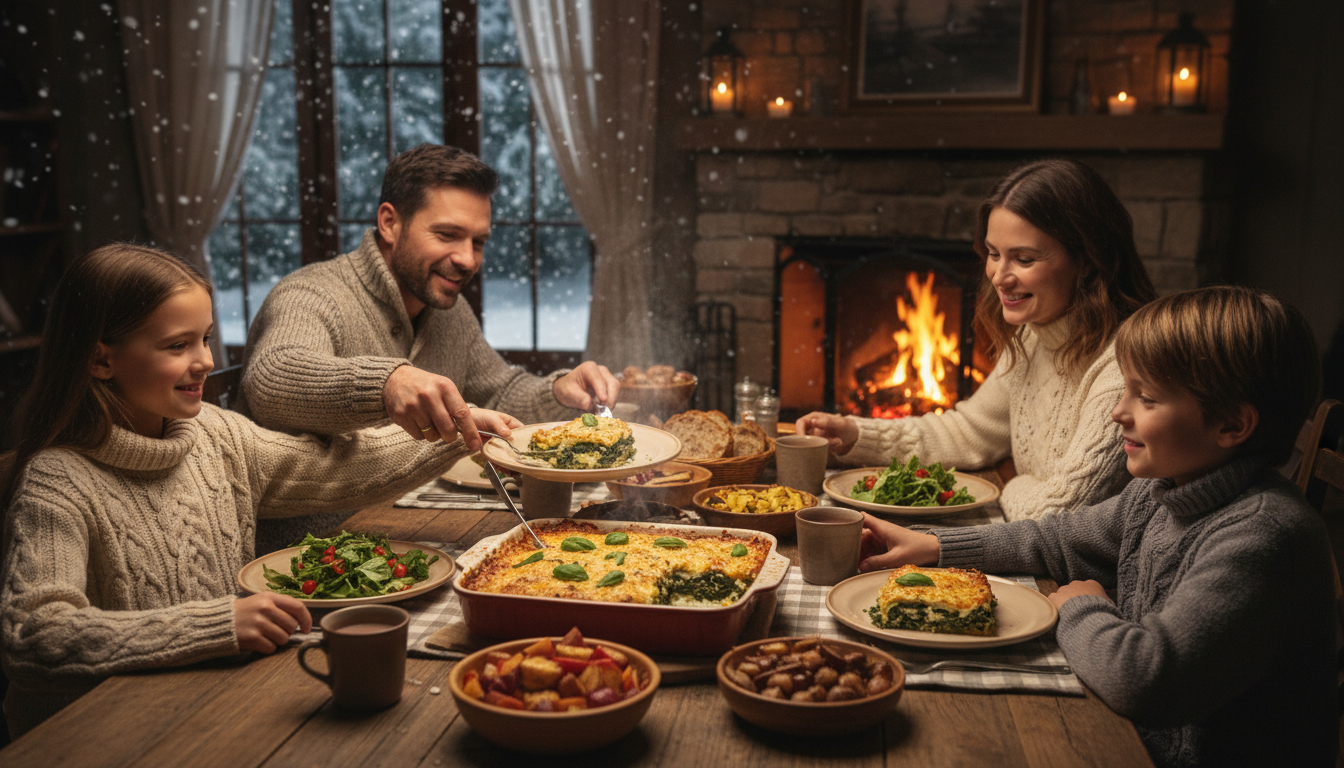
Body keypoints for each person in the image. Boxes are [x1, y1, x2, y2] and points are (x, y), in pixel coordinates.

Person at [0, 244, 522, 737]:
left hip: (213, 703)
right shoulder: (58, 481)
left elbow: (338, 469)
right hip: (97, 735)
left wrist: (457, 431)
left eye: (204, 338)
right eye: (177, 345)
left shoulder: (215, 434)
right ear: (100, 361)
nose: (204, 360)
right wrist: (213, 624)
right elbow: (34, 634)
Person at [856, 286, 1337, 768]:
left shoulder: (1263, 536)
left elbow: (1145, 678)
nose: (1117, 412)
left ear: (1232, 426)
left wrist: (1080, 607)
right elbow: (1055, 540)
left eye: (1145, 398)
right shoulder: (1164, 491)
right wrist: (934, 545)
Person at [238, 143, 619, 552]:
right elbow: (270, 377)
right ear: (389, 223)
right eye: (448, 235)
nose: (467, 259)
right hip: (302, 557)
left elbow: (500, 393)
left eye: (479, 242)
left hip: (398, 534)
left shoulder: (448, 312)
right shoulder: (311, 294)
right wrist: (387, 383)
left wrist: (558, 390)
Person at [797, 159, 1157, 520]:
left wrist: (1011, 480)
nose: (999, 277)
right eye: (993, 254)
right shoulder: (1037, 333)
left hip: (1079, 573)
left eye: (1024, 259)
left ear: (1088, 260)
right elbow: (970, 431)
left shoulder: (1125, 366)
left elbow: (1057, 514)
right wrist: (855, 434)